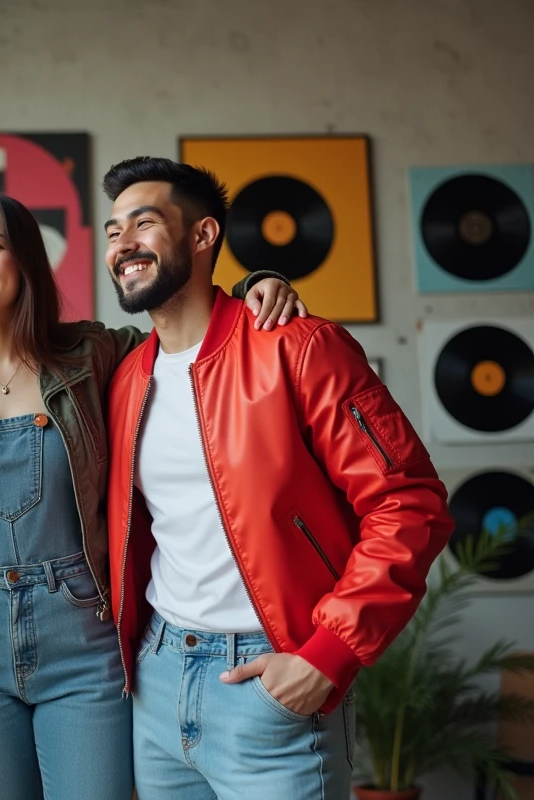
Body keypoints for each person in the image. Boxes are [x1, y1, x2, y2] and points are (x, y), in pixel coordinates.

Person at [0, 190, 304, 799]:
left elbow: (185, 326)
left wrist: (261, 280)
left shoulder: (94, 355)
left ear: (28, 264)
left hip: (83, 640)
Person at [102, 156, 454, 799]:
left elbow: (409, 502)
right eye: (112, 230)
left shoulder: (296, 347)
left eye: (143, 223)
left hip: (270, 684)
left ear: (204, 235)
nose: (122, 243)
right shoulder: (126, 378)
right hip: (157, 678)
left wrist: (329, 654)